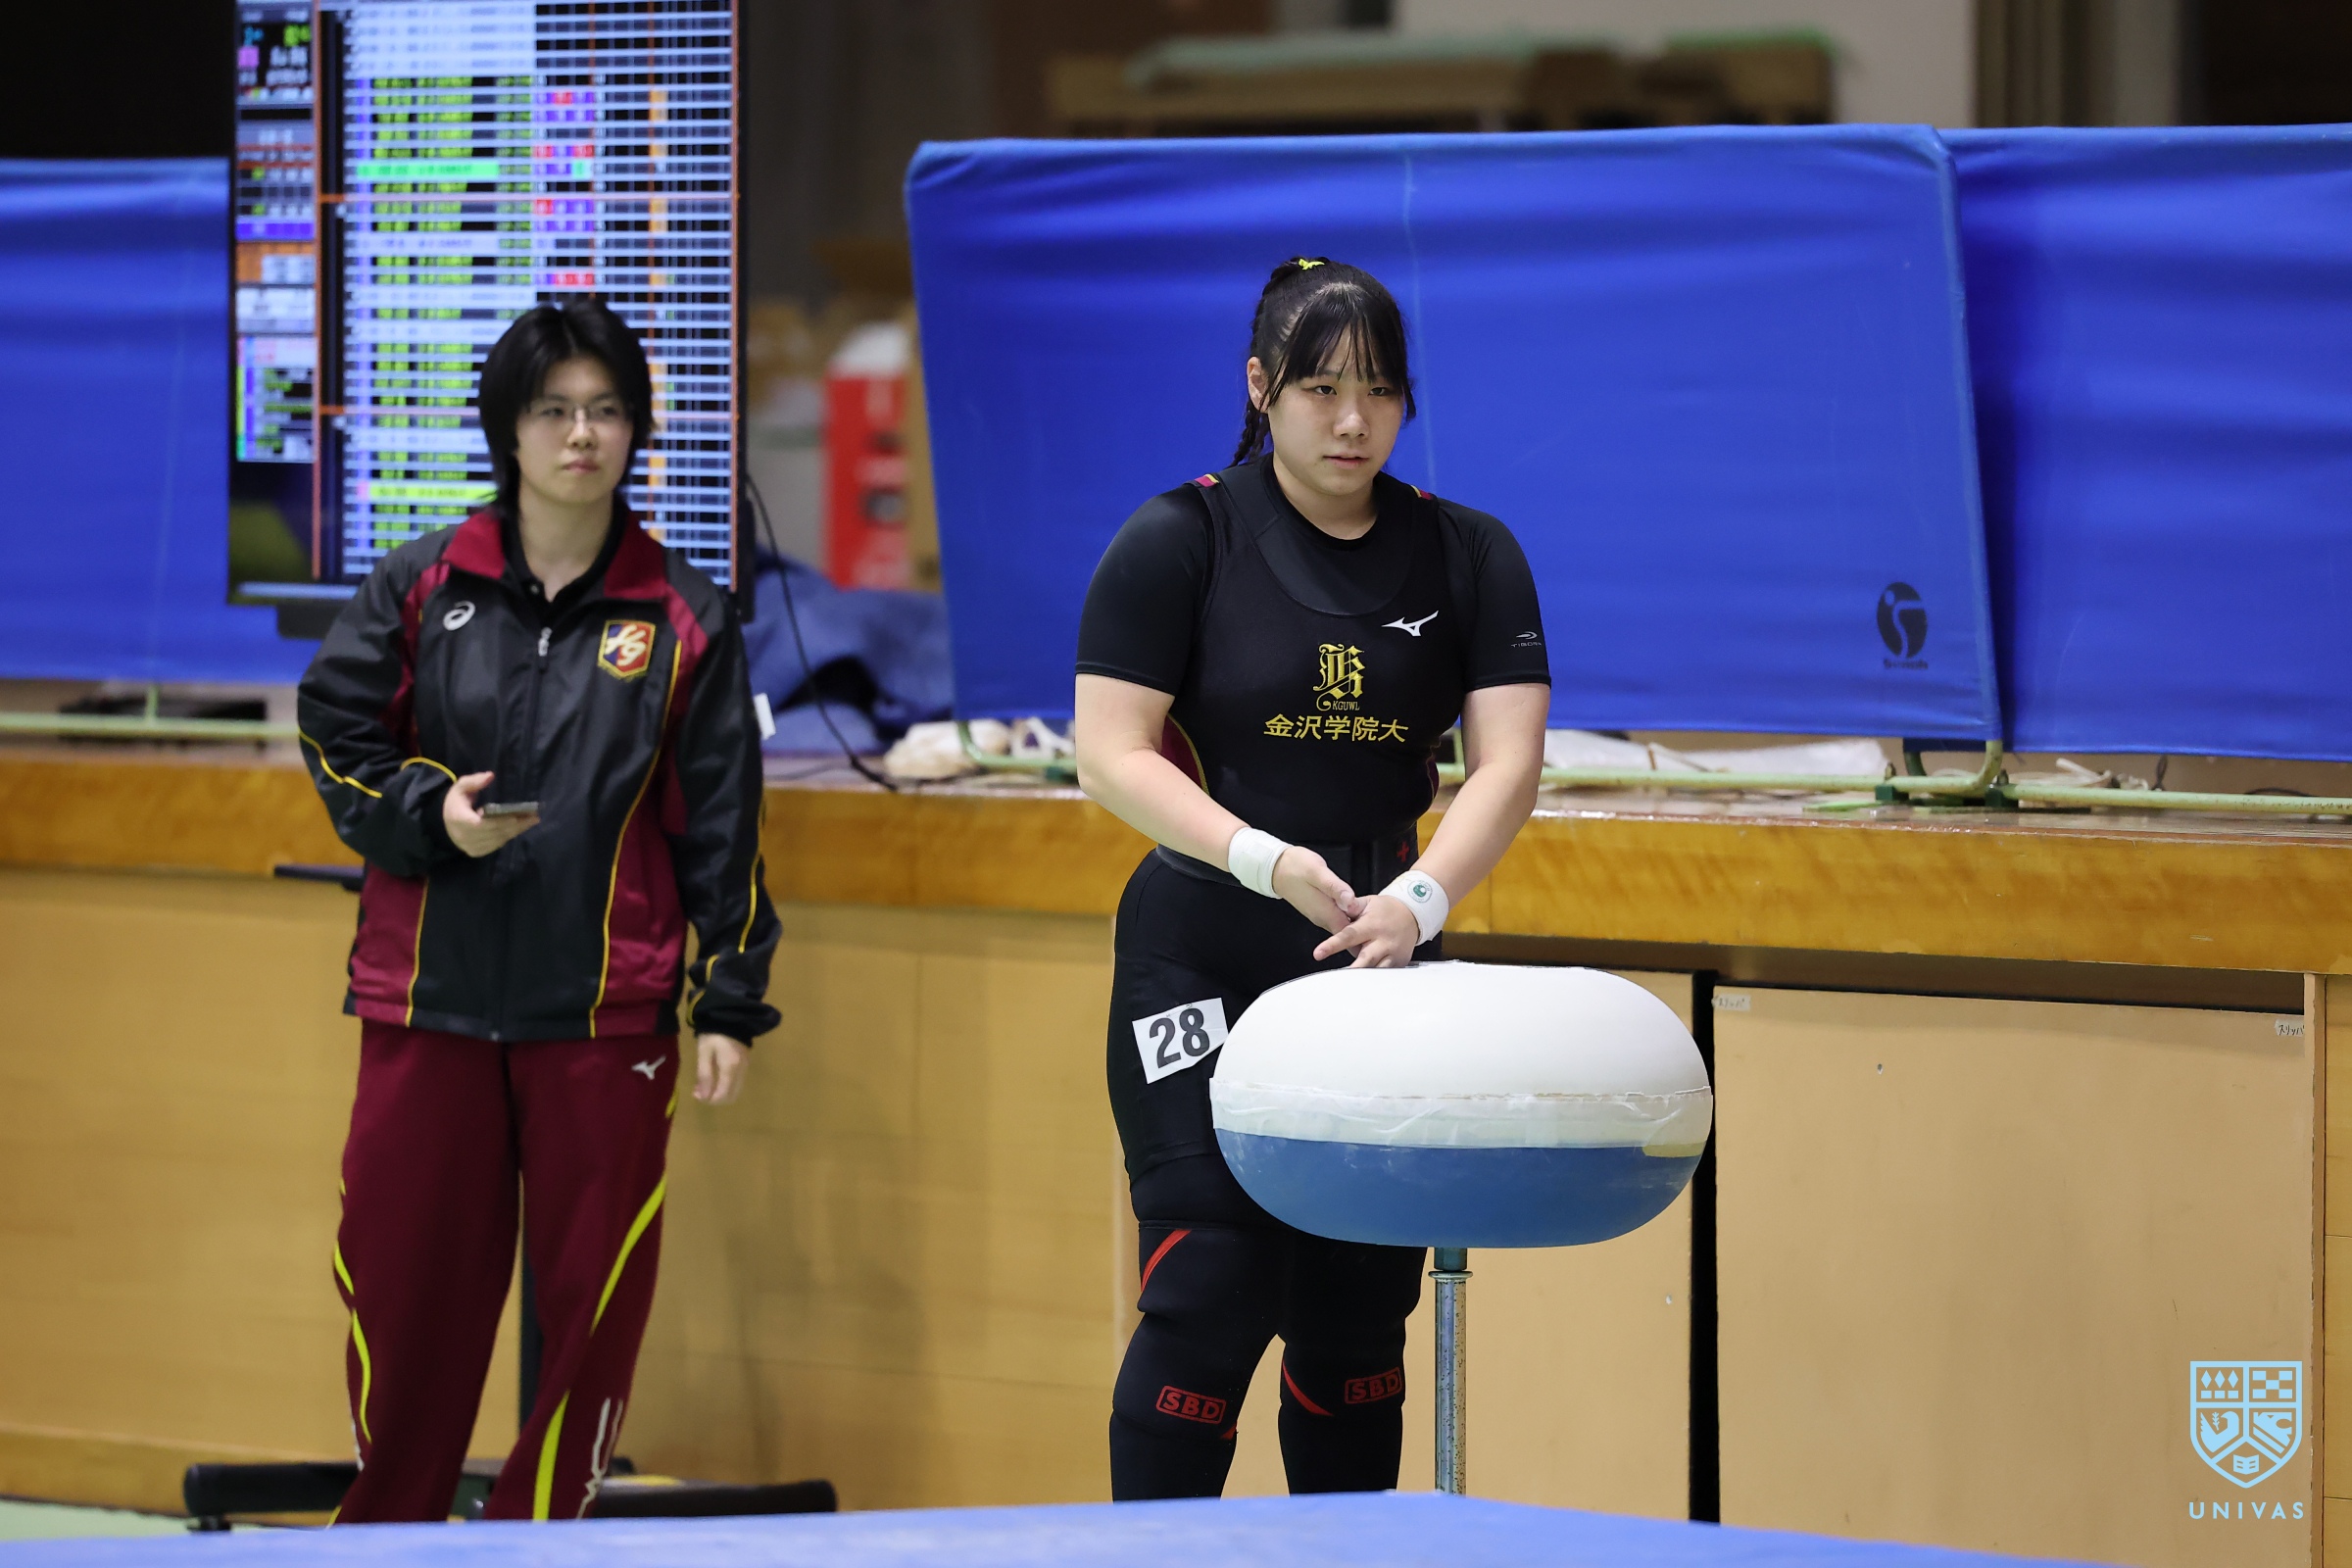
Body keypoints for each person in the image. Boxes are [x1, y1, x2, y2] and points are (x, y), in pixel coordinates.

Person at [1073, 257, 1551, 1499]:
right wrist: (1266, 860)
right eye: (1321, 388)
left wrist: (1418, 906)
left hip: (1375, 960)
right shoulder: (1178, 538)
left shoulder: (1470, 552)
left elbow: (1508, 764)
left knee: (1355, 1312)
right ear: (1260, 386)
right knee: (1209, 1284)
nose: (1353, 420)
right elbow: (1109, 752)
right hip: (1200, 953)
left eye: (1380, 391)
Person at [295, 297, 779, 1523]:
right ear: (508, 429)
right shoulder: (420, 582)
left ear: (636, 431)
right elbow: (337, 736)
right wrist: (431, 814)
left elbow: (722, 825)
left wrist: (728, 998)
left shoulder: (686, 614)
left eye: (606, 410)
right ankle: (389, 1536)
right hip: (427, 1002)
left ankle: (541, 1540)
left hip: (604, 1017)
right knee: (403, 1292)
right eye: (554, 410)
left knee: (592, 1312)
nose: (581, 435)